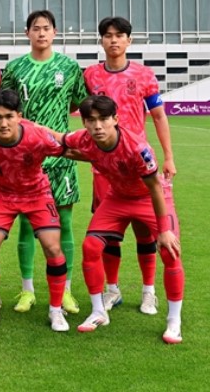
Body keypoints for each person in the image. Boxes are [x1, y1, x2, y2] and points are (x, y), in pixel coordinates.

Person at [64, 95, 184, 344]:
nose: (98, 126)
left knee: (169, 251)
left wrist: (163, 230)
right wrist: (28, 130)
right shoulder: (85, 138)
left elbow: (155, 188)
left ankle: (174, 321)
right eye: (91, 120)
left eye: (104, 119)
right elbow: (59, 140)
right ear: (84, 122)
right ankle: (98, 311)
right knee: (91, 246)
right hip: (117, 197)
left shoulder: (138, 148)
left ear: (115, 119)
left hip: (149, 197)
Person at [0, 89, 72, 333]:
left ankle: (56, 309)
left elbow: (67, 149)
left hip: (37, 193)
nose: (4, 123)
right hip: (2, 195)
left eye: (9, 116)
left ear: (19, 116)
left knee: (52, 246)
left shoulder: (38, 136)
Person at [83, 16, 176, 315]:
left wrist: (169, 156)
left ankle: (149, 292)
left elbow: (159, 116)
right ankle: (113, 289)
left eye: (119, 35)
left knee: (145, 233)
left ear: (129, 40)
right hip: (105, 167)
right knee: (107, 233)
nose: (113, 40)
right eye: (107, 35)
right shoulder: (91, 76)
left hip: (137, 163)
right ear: (101, 40)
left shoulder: (145, 75)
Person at [0, 10, 87, 315]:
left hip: (60, 155)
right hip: (25, 158)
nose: (41, 33)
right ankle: (27, 290)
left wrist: (57, 128)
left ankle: (65, 290)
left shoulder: (70, 68)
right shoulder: (15, 68)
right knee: (26, 224)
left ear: (55, 32)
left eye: (46, 28)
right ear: (27, 33)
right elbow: (5, 109)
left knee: (63, 224)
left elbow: (77, 102)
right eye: (35, 28)